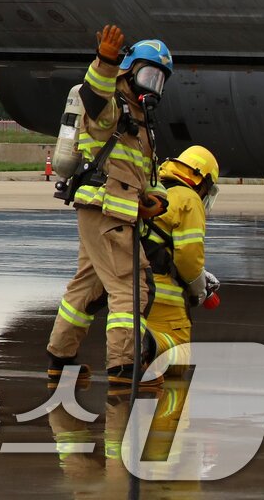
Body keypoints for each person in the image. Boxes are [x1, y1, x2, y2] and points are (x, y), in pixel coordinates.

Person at [46, 25, 172, 392]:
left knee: (86, 289)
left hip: (110, 211)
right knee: (132, 287)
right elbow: (96, 95)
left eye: (159, 80)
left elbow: (147, 173)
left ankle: (60, 361)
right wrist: (104, 61)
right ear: (129, 71)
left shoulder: (142, 125)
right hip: (107, 210)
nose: (152, 87)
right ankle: (124, 366)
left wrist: (157, 198)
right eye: (147, 76)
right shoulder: (112, 108)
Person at [143, 145, 221, 357]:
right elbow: (188, 258)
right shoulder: (188, 199)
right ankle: (145, 343)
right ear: (203, 181)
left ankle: (138, 346)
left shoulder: (155, 188)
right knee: (180, 354)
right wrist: (199, 289)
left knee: (131, 345)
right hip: (161, 287)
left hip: (131, 279)